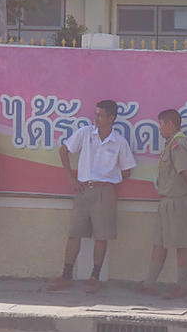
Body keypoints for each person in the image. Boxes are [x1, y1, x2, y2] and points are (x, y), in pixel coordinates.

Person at [47, 99, 136, 294]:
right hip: (83, 189)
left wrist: (109, 176)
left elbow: (128, 170)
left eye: (100, 115)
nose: (96, 118)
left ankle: (94, 276)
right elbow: (64, 150)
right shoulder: (85, 133)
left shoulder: (119, 141)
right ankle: (66, 274)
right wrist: (70, 176)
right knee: (74, 233)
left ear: (111, 118)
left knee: (101, 236)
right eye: (95, 114)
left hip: (105, 191)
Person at [136, 108, 187, 299]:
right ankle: (148, 283)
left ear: (169, 124)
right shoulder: (170, 144)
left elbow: (186, 171)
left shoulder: (179, 143)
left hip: (179, 201)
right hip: (166, 201)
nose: (159, 129)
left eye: (161, 125)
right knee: (160, 243)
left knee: (181, 243)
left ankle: (181, 286)